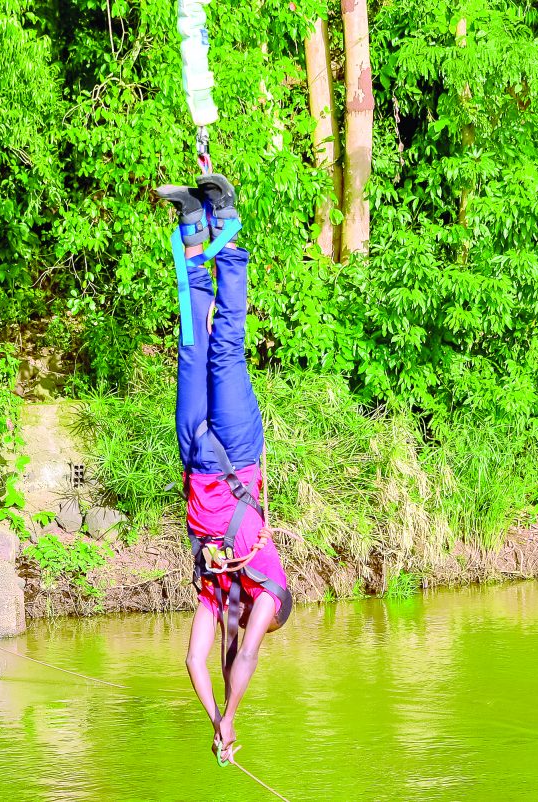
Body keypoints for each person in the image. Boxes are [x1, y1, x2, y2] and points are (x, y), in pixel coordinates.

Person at [156, 174, 292, 765]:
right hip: (237, 454)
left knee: (191, 345)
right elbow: (249, 656)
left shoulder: (214, 594)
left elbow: (193, 660)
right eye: (264, 616)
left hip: (195, 456)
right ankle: (227, 227)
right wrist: (233, 717)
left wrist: (216, 723)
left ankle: (191, 227)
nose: (257, 618)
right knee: (225, 348)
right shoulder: (268, 587)